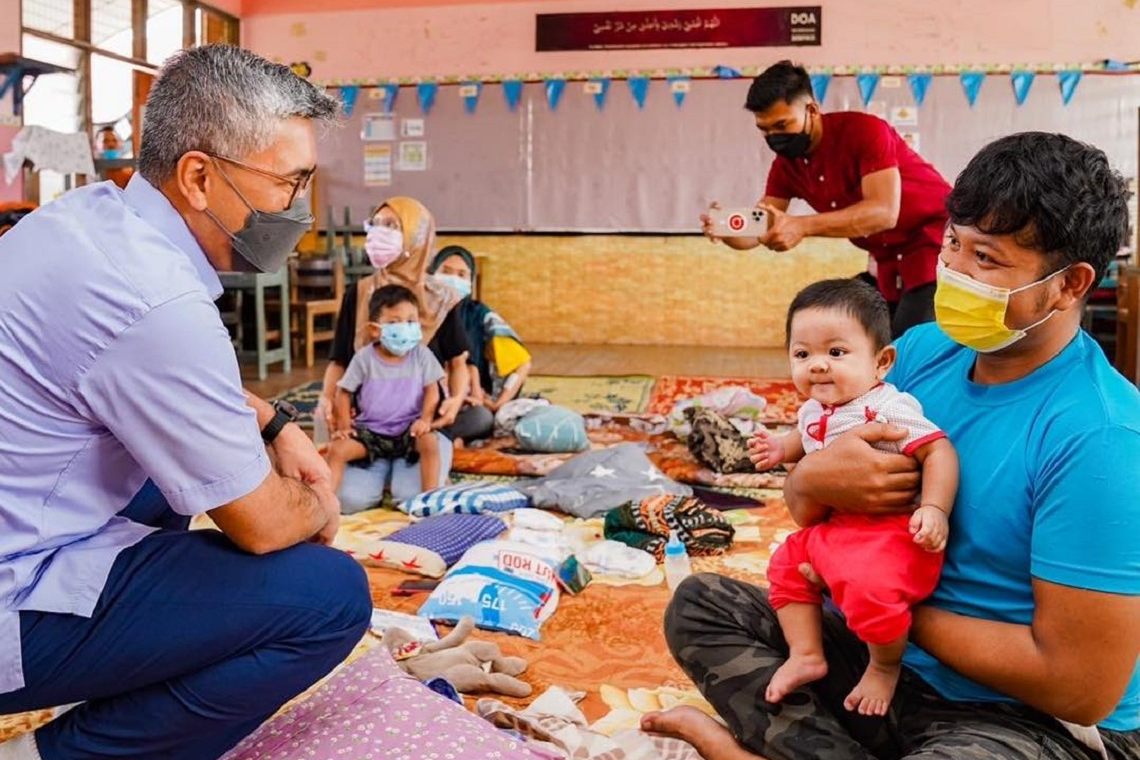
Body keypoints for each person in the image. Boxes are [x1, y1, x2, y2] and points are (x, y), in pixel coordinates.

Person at [644, 132, 1140, 760]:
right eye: (953, 244)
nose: (954, 270)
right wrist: (810, 478)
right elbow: (813, 507)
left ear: (1069, 284)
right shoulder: (921, 354)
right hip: (889, 661)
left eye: (986, 259)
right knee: (702, 606)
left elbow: (1080, 689)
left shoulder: (1100, 437)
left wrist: (880, 604)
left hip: (1020, 716)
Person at [0, 45, 371, 760]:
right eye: (288, 183)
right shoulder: (157, 301)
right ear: (199, 177)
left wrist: (276, 421)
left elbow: (155, 378)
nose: (298, 209)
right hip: (14, 593)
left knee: (171, 476)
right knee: (328, 596)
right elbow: (264, 525)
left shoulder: (80, 220)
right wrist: (320, 502)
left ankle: (112, 672)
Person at [750, 278, 957, 718]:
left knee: (868, 588)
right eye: (802, 354)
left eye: (836, 352)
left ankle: (884, 666)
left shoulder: (887, 407)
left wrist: (935, 508)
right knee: (785, 564)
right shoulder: (814, 409)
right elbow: (803, 438)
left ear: (882, 362)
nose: (817, 366)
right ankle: (806, 653)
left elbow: (937, 450)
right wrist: (779, 449)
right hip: (837, 529)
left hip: (890, 535)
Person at [701, 61, 952, 338]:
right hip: (887, 260)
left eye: (782, 125)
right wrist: (727, 230)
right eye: (765, 129)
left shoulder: (864, 131)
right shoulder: (786, 166)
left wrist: (802, 226)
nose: (774, 137)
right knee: (872, 342)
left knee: (910, 345)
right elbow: (762, 228)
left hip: (936, 241)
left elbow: (883, 212)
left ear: (812, 110)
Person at [322, 197, 464, 512]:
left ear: (416, 234)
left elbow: (458, 364)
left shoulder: (443, 298)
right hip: (368, 427)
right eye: (375, 224)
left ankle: (403, 475)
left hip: (420, 426)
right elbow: (339, 361)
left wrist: (455, 399)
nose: (379, 233)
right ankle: (380, 472)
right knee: (350, 500)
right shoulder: (360, 293)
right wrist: (327, 401)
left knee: (410, 498)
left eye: (391, 225)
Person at [326, 285, 444, 496]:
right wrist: (344, 426)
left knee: (430, 443)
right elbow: (343, 392)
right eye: (394, 322)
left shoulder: (422, 355)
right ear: (375, 330)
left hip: (409, 431)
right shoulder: (364, 358)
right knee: (337, 450)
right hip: (370, 433)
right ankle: (324, 502)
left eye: (410, 321)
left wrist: (425, 420)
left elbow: (432, 391)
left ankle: (430, 497)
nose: (404, 327)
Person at [430, 245, 532, 439]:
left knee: (481, 419)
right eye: (446, 272)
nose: (453, 280)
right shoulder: (418, 310)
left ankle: (432, 436)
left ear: (470, 281)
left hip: (465, 400)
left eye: (461, 274)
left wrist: (498, 403)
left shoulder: (480, 315)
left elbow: (521, 363)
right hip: (420, 399)